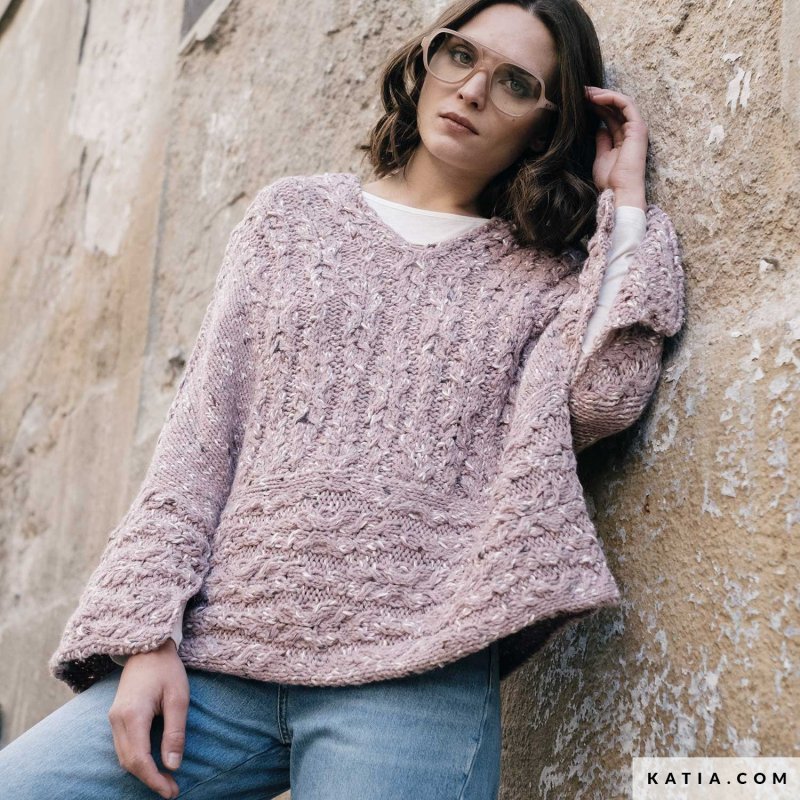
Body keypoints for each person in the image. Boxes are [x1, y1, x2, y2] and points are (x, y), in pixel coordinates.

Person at [0, 1, 685, 798]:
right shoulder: (291, 219)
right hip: (219, 656)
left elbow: (603, 399)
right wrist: (145, 634)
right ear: (427, 60)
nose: (472, 90)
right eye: (461, 55)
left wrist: (623, 205)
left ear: (546, 125)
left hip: (414, 673)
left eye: (515, 83)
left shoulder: (544, 278)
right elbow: (198, 441)